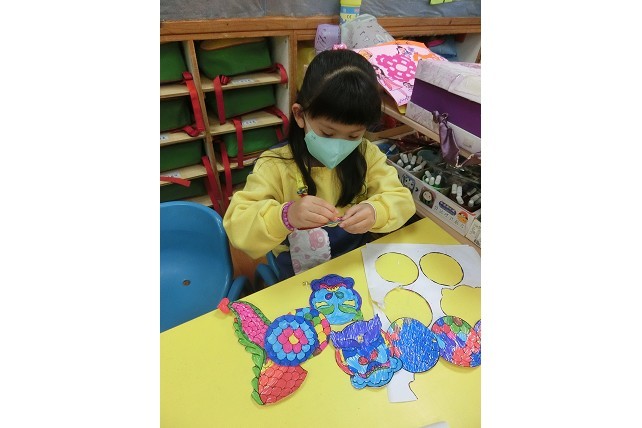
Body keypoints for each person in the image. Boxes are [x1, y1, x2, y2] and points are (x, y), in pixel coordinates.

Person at [223, 49, 415, 281]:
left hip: (354, 264)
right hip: (297, 274)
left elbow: (401, 200)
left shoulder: (367, 156)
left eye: (353, 136)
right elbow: (239, 226)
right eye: (327, 133)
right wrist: (286, 215)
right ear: (300, 115)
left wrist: (377, 211)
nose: (339, 145)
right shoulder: (274, 165)